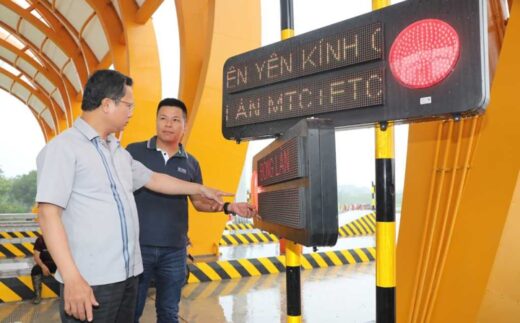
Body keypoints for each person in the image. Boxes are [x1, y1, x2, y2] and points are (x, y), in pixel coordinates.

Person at [36, 70, 230, 323]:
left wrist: (199, 189)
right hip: (91, 281)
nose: (131, 112)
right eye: (128, 105)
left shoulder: (117, 152)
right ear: (107, 104)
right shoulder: (63, 149)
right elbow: (48, 215)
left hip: (128, 277)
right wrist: (72, 279)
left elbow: (154, 179)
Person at [127, 98, 257, 323]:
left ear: (184, 127)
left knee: (168, 312)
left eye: (175, 120)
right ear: (156, 121)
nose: (168, 124)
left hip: (174, 252)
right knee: (130, 311)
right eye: (163, 118)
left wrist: (229, 207)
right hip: (139, 248)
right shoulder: (134, 152)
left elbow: (199, 202)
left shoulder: (191, 163)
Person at [31, 235, 57, 304]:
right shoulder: (40, 240)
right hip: (44, 264)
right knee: (35, 270)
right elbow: (36, 257)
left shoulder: (59, 238)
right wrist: (43, 266)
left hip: (58, 264)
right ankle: (37, 296)